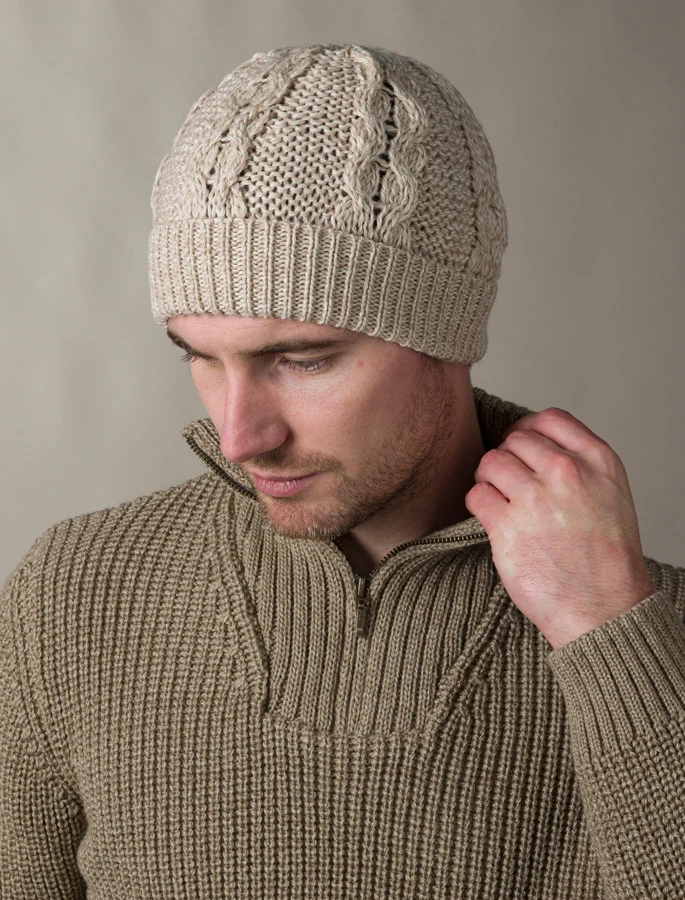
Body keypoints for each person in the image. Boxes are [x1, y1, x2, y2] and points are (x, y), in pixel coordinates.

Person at [1, 42, 683, 899]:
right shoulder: (73, 593)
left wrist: (610, 633)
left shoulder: (651, 635)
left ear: (442, 337)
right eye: (200, 356)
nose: (239, 436)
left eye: (301, 359)